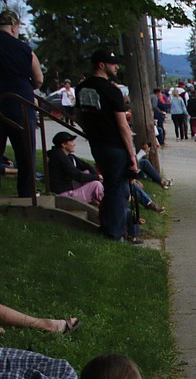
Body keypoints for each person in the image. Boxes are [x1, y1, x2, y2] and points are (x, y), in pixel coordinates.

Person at [75, 49, 139, 243]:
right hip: (115, 146)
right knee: (118, 190)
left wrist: (91, 131)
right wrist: (132, 155)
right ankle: (115, 232)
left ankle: (112, 226)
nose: (116, 66)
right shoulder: (112, 90)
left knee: (111, 187)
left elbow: (78, 116)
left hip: (98, 145)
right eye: (112, 63)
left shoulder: (82, 88)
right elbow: (123, 125)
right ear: (101, 65)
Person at [0, 9, 43, 199]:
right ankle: (27, 192)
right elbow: (38, 78)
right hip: (20, 104)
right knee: (25, 154)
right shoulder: (24, 49)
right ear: (14, 27)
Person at [46, 131, 103, 205]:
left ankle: (96, 197)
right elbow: (79, 176)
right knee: (95, 184)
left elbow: (86, 165)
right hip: (62, 196)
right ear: (64, 145)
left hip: (69, 187)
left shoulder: (67, 155)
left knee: (87, 172)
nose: (74, 144)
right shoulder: (60, 158)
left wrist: (97, 176)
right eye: (72, 141)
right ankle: (108, 202)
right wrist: (97, 177)